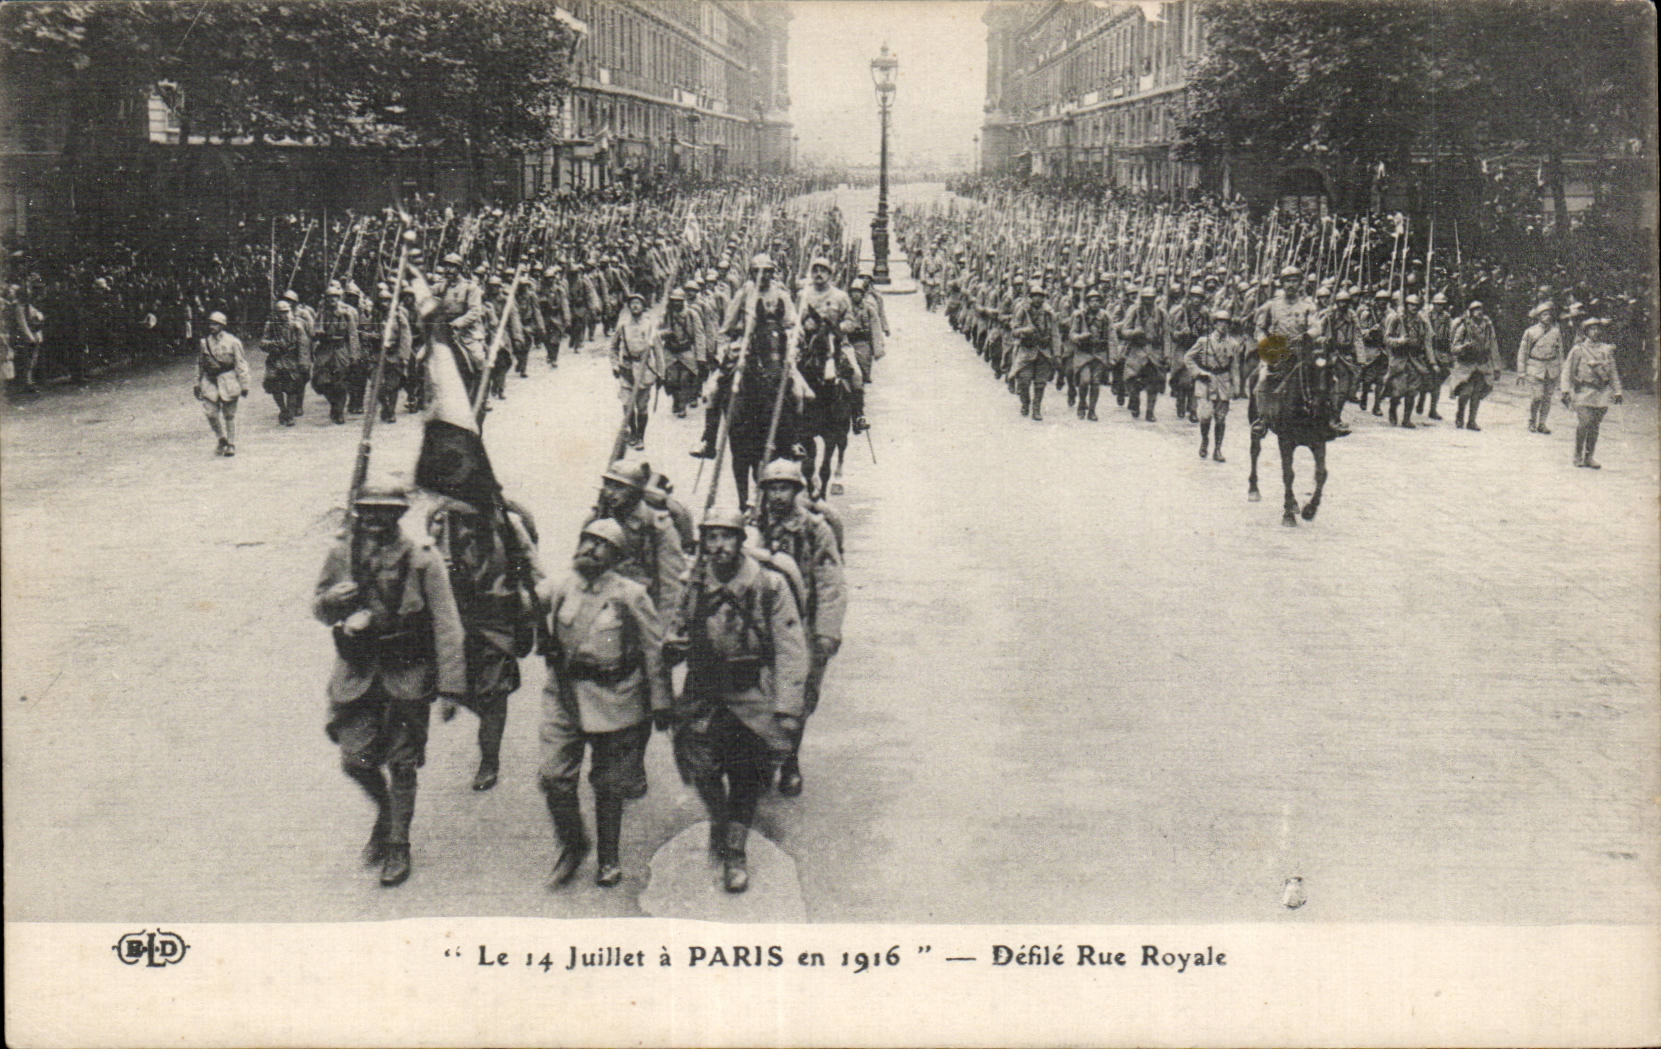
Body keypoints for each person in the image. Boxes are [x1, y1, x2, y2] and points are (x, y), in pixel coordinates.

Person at [314, 485, 466, 887]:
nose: (376, 520)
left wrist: (451, 687)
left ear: (399, 515)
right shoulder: (343, 555)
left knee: (402, 763)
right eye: (369, 512)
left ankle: (399, 844)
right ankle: (386, 813)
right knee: (355, 759)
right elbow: (318, 607)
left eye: (385, 512)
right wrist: (333, 598)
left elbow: (447, 625)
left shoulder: (422, 560)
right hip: (358, 671)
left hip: (407, 673)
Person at [666, 505, 809, 894]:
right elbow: (672, 635)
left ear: (741, 540)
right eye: (711, 537)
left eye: (726, 536)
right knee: (702, 767)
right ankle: (719, 818)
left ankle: (735, 849)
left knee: (747, 773)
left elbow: (791, 646)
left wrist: (787, 706)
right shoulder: (692, 583)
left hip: (750, 690)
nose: (718, 545)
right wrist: (673, 645)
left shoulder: (768, 585)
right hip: (704, 689)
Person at [536, 517, 672, 888]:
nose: (591, 551)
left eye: (602, 546)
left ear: (615, 557)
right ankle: (573, 842)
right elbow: (529, 598)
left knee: (609, 785)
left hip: (617, 697)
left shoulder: (630, 594)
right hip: (566, 695)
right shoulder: (561, 585)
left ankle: (608, 857)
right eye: (587, 542)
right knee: (553, 776)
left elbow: (652, 649)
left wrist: (660, 702)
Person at [755, 459, 845, 797]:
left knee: (799, 696)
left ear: (796, 491)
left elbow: (830, 582)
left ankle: (790, 760)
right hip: (762, 622)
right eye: (772, 488)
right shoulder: (755, 525)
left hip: (802, 624)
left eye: (784, 488)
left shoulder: (815, 529)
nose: (778, 495)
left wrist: (826, 630)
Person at [588, 458, 687, 615]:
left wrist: (661, 631)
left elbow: (671, 587)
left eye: (619, 487)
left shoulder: (657, 527)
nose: (609, 492)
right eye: (607, 484)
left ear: (635, 491)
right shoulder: (597, 519)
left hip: (639, 607)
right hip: (600, 601)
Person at [1560, 316, 1623, 468]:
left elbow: (1613, 372)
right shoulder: (1578, 350)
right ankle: (1577, 454)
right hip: (1583, 391)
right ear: (1586, 332)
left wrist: (1617, 391)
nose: (1595, 332)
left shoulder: (1606, 350)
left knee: (1595, 425)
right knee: (1584, 423)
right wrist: (1565, 390)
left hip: (1601, 392)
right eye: (1592, 329)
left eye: (1597, 329)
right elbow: (1567, 371)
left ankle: (1589, 456)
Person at [195, 311, 251, 457]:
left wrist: (244, 385)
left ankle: (231, 443)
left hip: (228, 379)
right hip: (210, 380)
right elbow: (200, 364)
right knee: (211, 413)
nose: (212, 327)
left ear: (222, 326)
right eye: (211, 323)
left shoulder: (233, 342)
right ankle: (221, 438)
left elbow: (241, 364)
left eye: (215, 324)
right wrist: (197, 383)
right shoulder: (204, 343)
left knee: (229, 415)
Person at [1184, 309, 1237, 462]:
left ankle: (1218, 449)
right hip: (1206, 381)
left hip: (1223, 382)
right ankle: (1205, 440)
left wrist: (1236, 386)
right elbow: (1188, 358)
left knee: (1221, 418)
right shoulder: (1204, 341)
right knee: (1205, 416)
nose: (1223, 325)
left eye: (1226, 322)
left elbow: (1235, 366)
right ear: (1214, 324)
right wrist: (1198, 372)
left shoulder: (1233, 344)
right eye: (1220, 322)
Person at [610, 291, 661, 450]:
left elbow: (658, 351)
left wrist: (661, 373)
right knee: (626, 404)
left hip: (645, 370)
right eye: (632, 303)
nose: (635, 306)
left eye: (638, 303)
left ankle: (640, 436)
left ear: (643, 307)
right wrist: (615, 365)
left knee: (642, 407)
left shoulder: (649, 326)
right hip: (626, 369)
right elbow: (612, 347)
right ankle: (632, 432)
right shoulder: (623, 325)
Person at [311, 281, 361, 425]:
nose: (332, 300)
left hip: (341, 349)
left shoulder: (347, 314)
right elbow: (313, 333)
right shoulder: (321, 314)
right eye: (329, 297)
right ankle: (334, 403)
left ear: (339, 298)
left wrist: (354, 355)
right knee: (320, 382)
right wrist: (317, 336)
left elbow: (352, 335)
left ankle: (339, 411)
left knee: (341, 382)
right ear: (325, 299)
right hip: (325, 349)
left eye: (335, 297)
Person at [1009, 281, 1059, 421]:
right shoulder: (1023, 310)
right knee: (1024, 381)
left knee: (1040, 383)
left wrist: (1056, 354)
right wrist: (1025, 330)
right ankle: (1025, 403)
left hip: (1043, 351)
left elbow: (1055, 334)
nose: (1038, 299)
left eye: (1040, 296)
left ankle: (1036, 408)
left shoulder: (1049, 313)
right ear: (1030, 297)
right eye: (1035, 296)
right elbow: (1014, 329)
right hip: (1027, 350)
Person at [1117, 286, 1167, 421]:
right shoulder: (1134, 311)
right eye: (1146, 299)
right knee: (1131, 379)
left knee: (1154, 382)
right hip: (1137, 349)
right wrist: (1135, 332)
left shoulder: (1161, 313)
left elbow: (1166, 335)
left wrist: (1167, 354)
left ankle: (1150, 411)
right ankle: (1135, 401)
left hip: (1155, 351)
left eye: (1151, 299)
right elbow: (1124, 331)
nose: (1149, 301)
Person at [1450, 300, 1500, 431]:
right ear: (1471, 312)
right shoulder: (1464, 327)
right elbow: (1454, 348)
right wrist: (1464, 347)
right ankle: (1460, 415)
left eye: (1480, 309)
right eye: (1475, 310)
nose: (1479, 312)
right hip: (1466, 365)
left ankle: (1472, 421)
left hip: (1482, 364)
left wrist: (1496, 367)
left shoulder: (1488, 327)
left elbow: (1493, 346)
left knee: (1477, 393)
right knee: (1465, 393)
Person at [260, 299, 311, 427]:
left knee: (292, 388)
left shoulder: (296, 325)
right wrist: (273, 344)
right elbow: (263, 343)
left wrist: (303, 363)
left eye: (286, 312)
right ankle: (283, 409)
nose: (284, 315)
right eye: (281, 313)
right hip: (276, 359)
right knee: (274, 386)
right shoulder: (271, 325)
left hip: (291, 359)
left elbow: (303, 345)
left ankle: (289, 414)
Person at [1516, 301, 1564, 434]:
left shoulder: (1556, 332)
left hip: (1551, 368)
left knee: (1547, 398)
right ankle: (1532, 420)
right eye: (1544, 314)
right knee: (1537, 397)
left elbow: (1560, 353)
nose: (1547, 317)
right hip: (1535, 367)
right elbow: (1523, 352)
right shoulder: (1531, 332)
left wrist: (1562, 371)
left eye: (1549, 314)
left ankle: (1542, 423)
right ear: (1539, 317)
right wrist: (1521, 372)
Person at [1068, 286, 1114, 421]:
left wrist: (1112, 357)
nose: (1095, 303)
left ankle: (1092, 410)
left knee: (1095, 383)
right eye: (1092, 301)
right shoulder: (1079, 315)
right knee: (1084, 381)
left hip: (1099, 353)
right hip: (1084, 353)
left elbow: (1112, 337)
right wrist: (1081, 337)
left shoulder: (1105, 316)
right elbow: (1072, 334)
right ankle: (1082, 403)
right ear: (1087, 303)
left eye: (1098, 301)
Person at [659, 287, 702, 418]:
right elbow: (657, 331)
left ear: (683, 301)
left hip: (686, 350)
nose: (676, 303)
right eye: (674, 301)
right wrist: (665, 333)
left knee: (684, 379)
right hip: (670, 351)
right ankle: (676, 400)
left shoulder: (691, 314)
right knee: (671, 379)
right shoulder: (667, 314)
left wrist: (701, 356)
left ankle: (682, 405)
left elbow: (699, 334)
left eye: (679, 301)